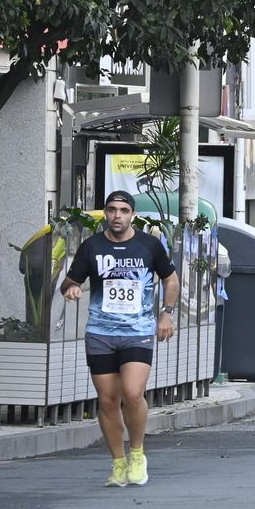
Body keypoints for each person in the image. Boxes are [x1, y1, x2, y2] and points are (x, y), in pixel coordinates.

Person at [60, 189, 178, 489]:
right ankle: (118, 462)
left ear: (132, 215)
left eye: (123, 211)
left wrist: (167, 313)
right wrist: (70, 289)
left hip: (137, 332)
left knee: (132, 392)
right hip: (101, 333)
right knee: (108, 399)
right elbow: (70, 281)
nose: (117, 216)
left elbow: (171, 279)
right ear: (105, 213)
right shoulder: (92, 247)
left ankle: (137, 453)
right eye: (111, 210)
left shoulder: (149, 245)